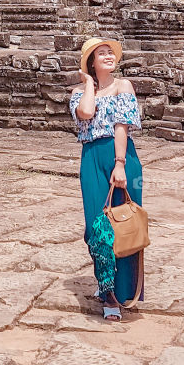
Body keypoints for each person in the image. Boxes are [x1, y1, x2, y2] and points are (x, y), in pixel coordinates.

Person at [70, 36, 143, 322]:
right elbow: (86, 113)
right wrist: (89, 82)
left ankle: (119, 292)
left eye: (110, 52)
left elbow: (121, 126)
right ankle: (107, 288)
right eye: (102, 54)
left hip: (121, 156)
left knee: (124, 224)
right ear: (91, 62)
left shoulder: (123, 86)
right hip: (91, 158)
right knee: (95, 227)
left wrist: (120, 164)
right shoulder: (80, 91)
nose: (109, 56)